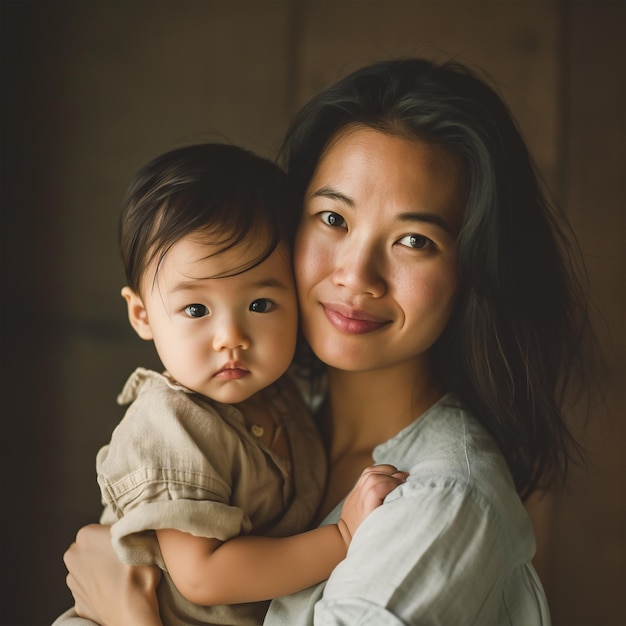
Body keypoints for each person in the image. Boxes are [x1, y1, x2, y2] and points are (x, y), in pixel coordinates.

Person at [62, 58, 592, 625]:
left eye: (414, 240)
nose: (357, 276)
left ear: (472, 270)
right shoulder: (270, 417)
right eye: (333, 219)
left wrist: (128, 616)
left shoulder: (442, 500)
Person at [53, 143, 406, 626]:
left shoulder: (283, 398)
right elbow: (204, 577)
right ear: (142, 315)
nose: (232, 338)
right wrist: (342, 538)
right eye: (196, 310)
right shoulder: (170, 423)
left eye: (260, 305)